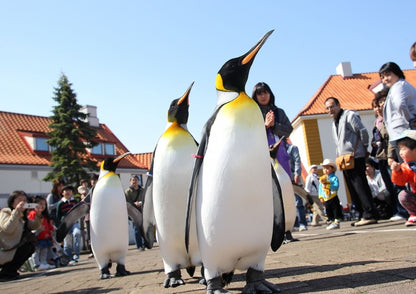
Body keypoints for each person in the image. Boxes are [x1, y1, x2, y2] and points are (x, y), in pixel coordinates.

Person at [324, 97, 378, 226]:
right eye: (327, 108)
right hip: (343, 159)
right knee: (351, 187)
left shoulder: (350, 115)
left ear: (338, 105)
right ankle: (361, 213)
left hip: (355, 155)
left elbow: (362, 131)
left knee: (360, 185)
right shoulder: (334, 122)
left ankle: (369, 213)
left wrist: (364, 148)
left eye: (332, 106)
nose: (330, 110)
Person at [252, 82, 293, 175]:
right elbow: (249, 135)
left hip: (280, 154)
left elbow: (288, 130)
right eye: (259, 94)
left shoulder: (279, 112)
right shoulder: (252, 113)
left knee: (283, 184)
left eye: (265, 93)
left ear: (270, 94)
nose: (263, 96)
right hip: (260, 155)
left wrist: (274, 125)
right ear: (255, 96)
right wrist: (265, 126)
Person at [0, 191, 43, 281]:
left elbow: (33, 226)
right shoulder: (5, 212)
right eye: (19, 200)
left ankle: (9, 271)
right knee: (26, 247)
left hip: (14, 248)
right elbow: (8, 228)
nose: (22, 202)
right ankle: (6, 273)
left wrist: (38, 215)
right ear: (12, 202)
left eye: (24, 200)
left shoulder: (22, 216)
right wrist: (16, 211)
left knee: (30, 245)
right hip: (5, 249)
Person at [379, 62, 416, 141]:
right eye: (382, 77)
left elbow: (400, 105)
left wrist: (409, 121)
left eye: (388, 74)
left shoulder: (398, 86)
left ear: (397, 72)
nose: (385, 79)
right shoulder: (400, 85)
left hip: (404, 131)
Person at [390, 130, 416, 226]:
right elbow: (400, 182)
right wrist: (397, 171)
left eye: (404, 149)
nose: (400, 153)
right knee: (403, 195)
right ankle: (414, 214)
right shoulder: (406, 166)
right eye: (399, 149)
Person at [28, 196, 58, 270]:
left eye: (44, 204)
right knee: (36, 252)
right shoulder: (33, 213)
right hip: (37, 237)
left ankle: (43, 263)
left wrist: (52, 229)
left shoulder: (45, 215)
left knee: (44, 252)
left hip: (46, 237)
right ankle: (36, 265)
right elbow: (31, 223)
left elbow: (49, 225)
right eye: (40, 204)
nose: (42, 206)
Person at [285, 140, 308, 231]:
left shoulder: (292, 148)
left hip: (293, 177)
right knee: (288, 203)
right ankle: (294, 223)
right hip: (285, 179)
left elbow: (297, 161)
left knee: (298, 201)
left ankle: (302, 223)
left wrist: (297, 174)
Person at [56, 185, 81, 264]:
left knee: (77, 233)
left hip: (74, 222)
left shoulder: (74, 201)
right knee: (67, 241)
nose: (68, 192)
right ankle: (69, 257)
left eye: (69, 191)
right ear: (62, 193)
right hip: (65, 224)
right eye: (66, 191)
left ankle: (76, 253)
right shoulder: (60, 203)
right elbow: (58, 215)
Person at [318, 159, 342, 230]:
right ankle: (331, 221)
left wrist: (329, 185)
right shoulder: (323, 179)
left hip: (332, 196)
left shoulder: (334, 178)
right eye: (324, 168)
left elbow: (336, 186)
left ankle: (336, 221)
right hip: (326, 197)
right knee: (328, 210)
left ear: (333, 169)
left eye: (327, 168)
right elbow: (320, 188)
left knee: (335, 208)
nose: (325, 170)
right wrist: (321, 196)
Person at [125, 175, 145, 250]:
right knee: (136, 229)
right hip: (133, 212)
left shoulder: (142, 190)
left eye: (136, 180)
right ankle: (139, 245)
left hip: (142, 210)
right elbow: (127, 202)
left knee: (143, 228)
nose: (134, 181)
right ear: (130, 181)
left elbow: (146, 198)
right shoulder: (128, 191)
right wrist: (134, 203)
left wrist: (141, 203)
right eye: (133, 180)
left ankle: (144, 243)